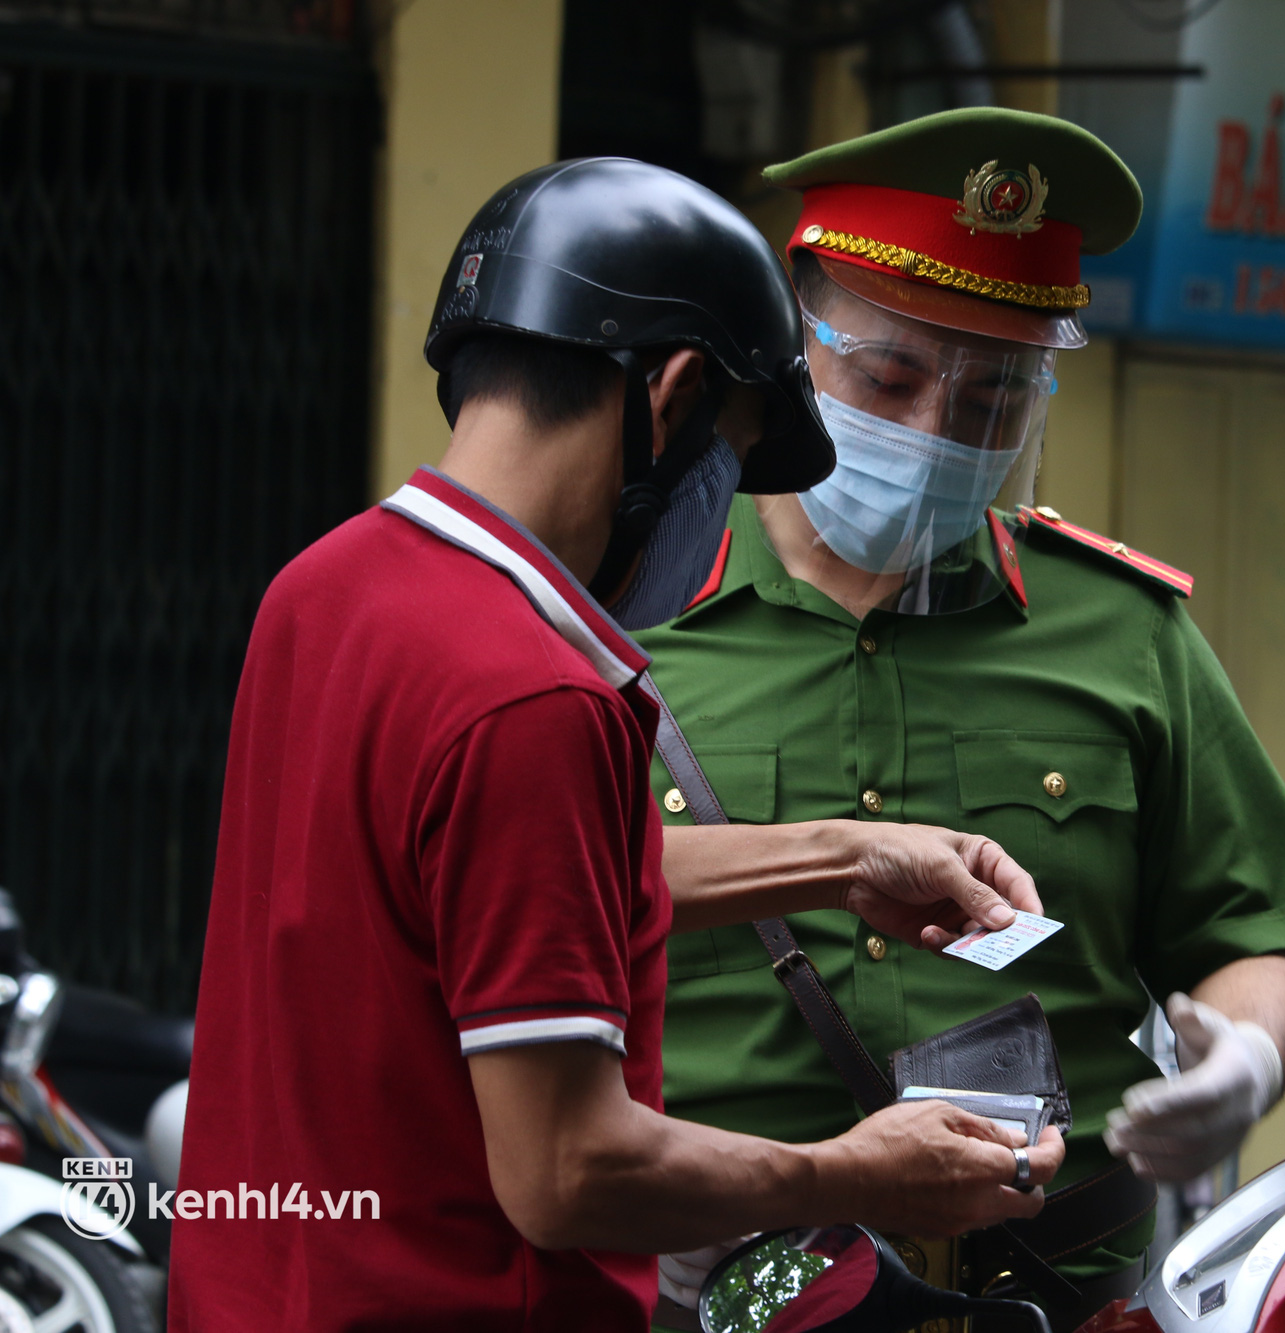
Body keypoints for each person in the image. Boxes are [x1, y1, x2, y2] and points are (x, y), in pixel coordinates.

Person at [168, 159, 1062, 1332]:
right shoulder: (536, 696)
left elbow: (486, 893)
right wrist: (857, 1169)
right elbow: (566, 1172)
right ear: (671, 395)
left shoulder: (322, 591)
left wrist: (848, 858)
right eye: (733, 459)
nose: (721, 502)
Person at [637, 109, 1285, 1325]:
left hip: (1049, 1294)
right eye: (888, 377)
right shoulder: (631, 608)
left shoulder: (1124, 632)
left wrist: (1242, 1062)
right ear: (789, 340)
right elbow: (517, 910)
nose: (930, 435)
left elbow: (1253, 933)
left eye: (991, 400)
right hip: (703, 1297)